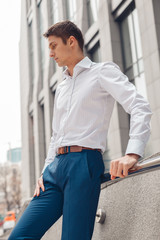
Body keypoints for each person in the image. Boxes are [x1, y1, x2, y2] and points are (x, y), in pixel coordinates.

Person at [9, 20, 152, 240]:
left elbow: (139, 106)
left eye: (53, 46)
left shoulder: (102, 72)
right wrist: (45, 170)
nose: (50, 53)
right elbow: (56, 135)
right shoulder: (63, 85)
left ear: (72, 41)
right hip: (54, 170)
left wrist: (133, 153)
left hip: (84, 164)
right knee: (19, 235)